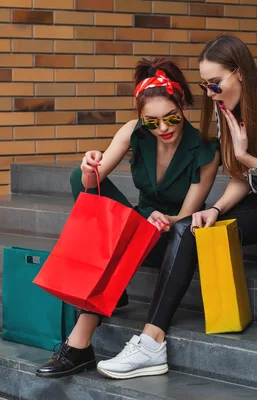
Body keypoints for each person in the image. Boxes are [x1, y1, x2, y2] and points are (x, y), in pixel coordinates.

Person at [96, 34, 257, 381]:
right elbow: (241, 177)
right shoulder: (225, 108)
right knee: (186, 229)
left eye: (215, 84)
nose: (210, 93)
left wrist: (249, 157)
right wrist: (216, 210)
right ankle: (151, 341)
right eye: (205, 85)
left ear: (241, 73)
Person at [35, 58, 220, 379]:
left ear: (184, 106)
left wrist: (167, 219)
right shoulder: (134, 133)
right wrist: (88, 164)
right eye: (152, 122)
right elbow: (89, 184)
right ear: (141, 119)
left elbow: (189, 215)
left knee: (123, 243)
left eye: (171, 118)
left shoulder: (205, 148)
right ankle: (87, 332)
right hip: (139, 223)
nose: (162, 128)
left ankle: (79, 344)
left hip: (174, 232)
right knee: (80, 184)